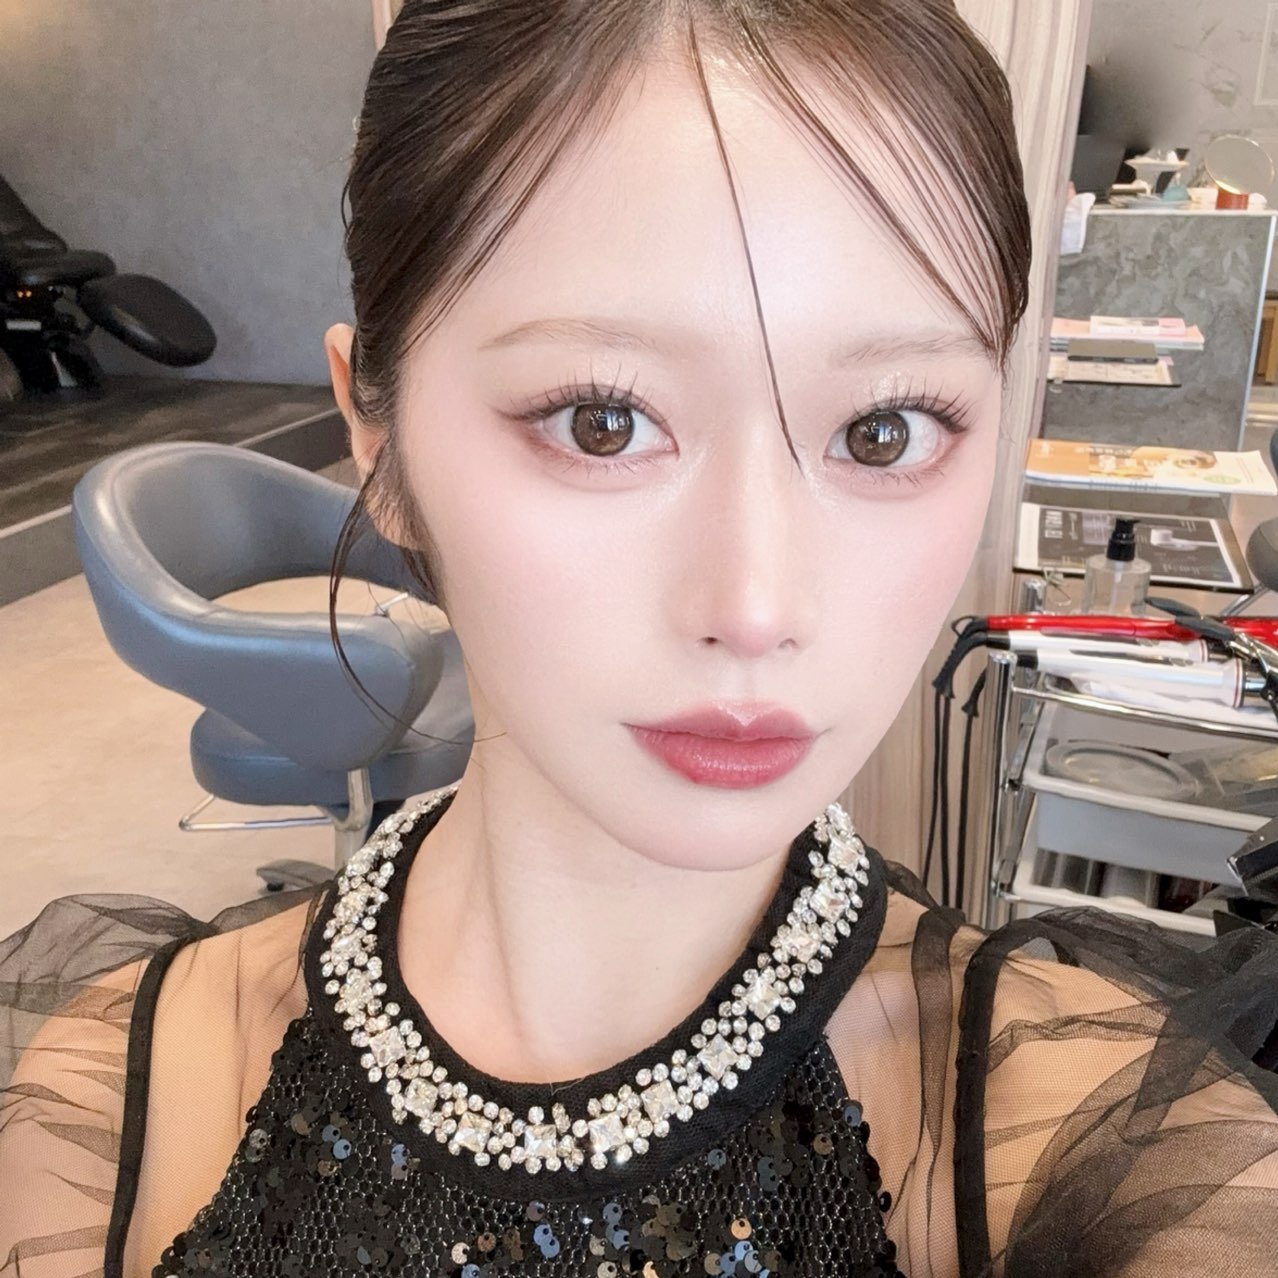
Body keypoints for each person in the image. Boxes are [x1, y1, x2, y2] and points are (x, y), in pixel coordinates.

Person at [4, 3, 1278, 1275]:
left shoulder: (1101, 1152)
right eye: (602, 422)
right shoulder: (108, 1099)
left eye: (882, 431)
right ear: (377, 439)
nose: (758, 606)